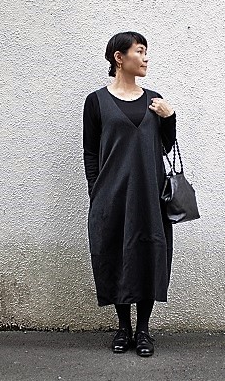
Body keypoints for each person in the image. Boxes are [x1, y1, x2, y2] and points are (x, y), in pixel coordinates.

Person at [82, 31, 177, 357]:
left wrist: (170, 118)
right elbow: (90, 152)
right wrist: (96, 191)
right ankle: (123, 328)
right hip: (112, 195)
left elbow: (165, 147)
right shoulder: (96, 102)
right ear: (119, 58)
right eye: (140, 51)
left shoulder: (155, 100)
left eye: (146, 52)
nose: (146, 58)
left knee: (149, 254)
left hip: (150, 194)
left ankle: (144, 330)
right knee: (115, 254)